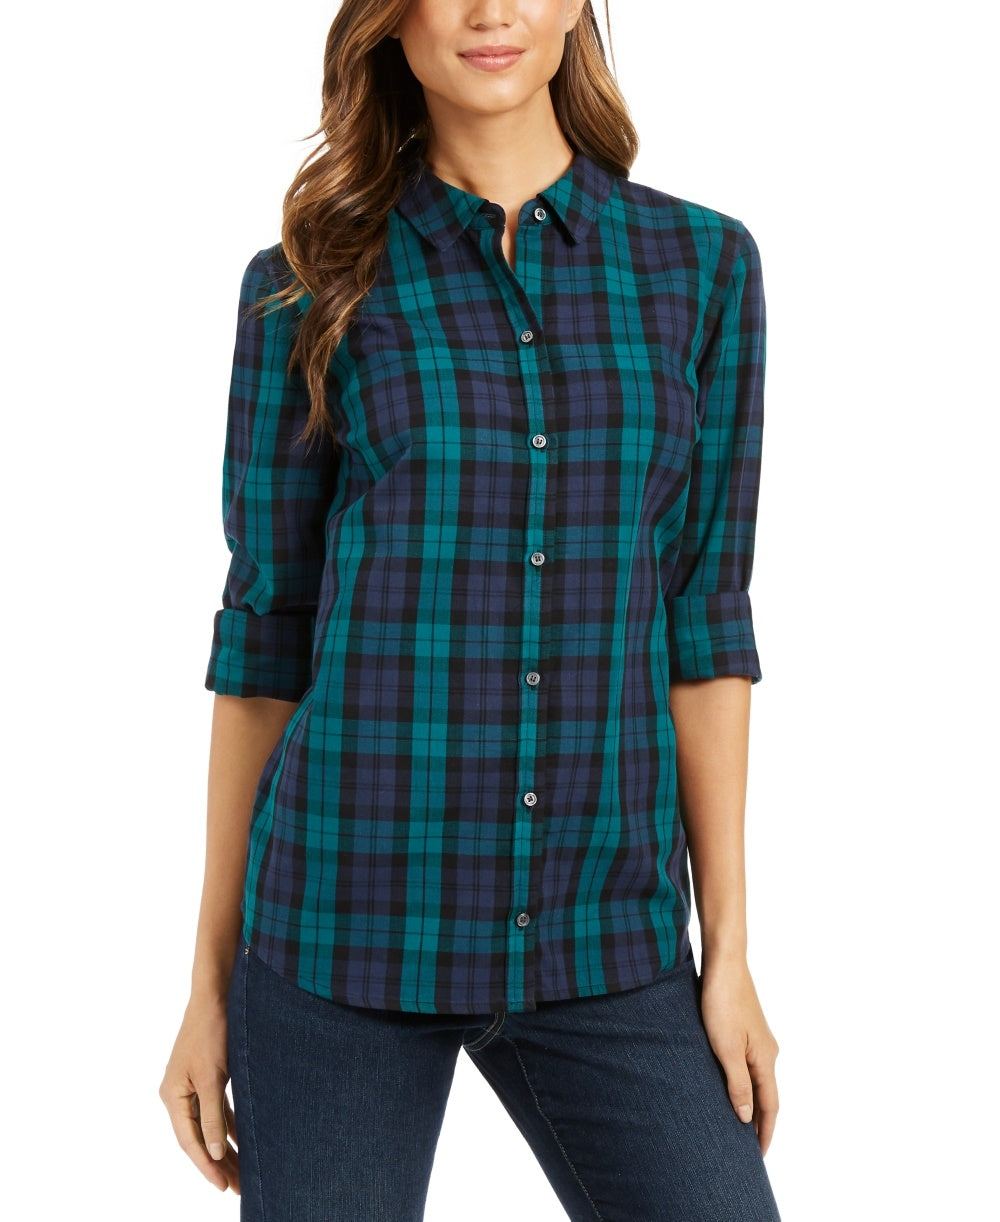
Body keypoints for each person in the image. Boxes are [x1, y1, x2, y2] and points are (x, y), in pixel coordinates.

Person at [159, 1, 782, 1218]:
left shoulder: (702, 268)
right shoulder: (304, 286)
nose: (490, 10)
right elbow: (265, 637)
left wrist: (730, 958)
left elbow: (704, 620)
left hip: (605, 935)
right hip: (343, 930)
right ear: (388, 20)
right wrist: (208, 984)